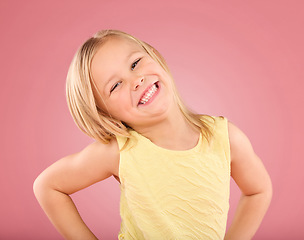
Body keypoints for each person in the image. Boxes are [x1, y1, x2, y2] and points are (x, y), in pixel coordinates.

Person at [33, 29, 272, 240]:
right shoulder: (120, 151)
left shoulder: (226, 138)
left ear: (155, 56)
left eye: (135, 63)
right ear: (105, 114)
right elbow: (48, 186)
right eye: (115, 85)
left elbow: (258, 191)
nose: (135, 81)